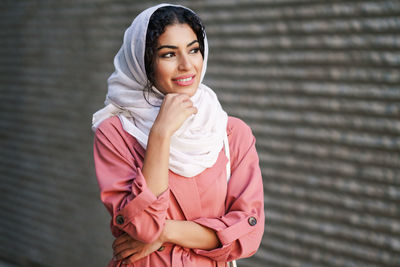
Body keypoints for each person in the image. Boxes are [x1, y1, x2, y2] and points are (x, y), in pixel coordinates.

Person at [92, 3, 264, 267]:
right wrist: (160, 133)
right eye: (168, 54)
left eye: (194, 50)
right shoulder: (115, 133)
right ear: (144, 62)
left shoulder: (231, 133)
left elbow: (249, 233)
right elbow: (144, 227)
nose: (186, 65)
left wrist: (167, 232)